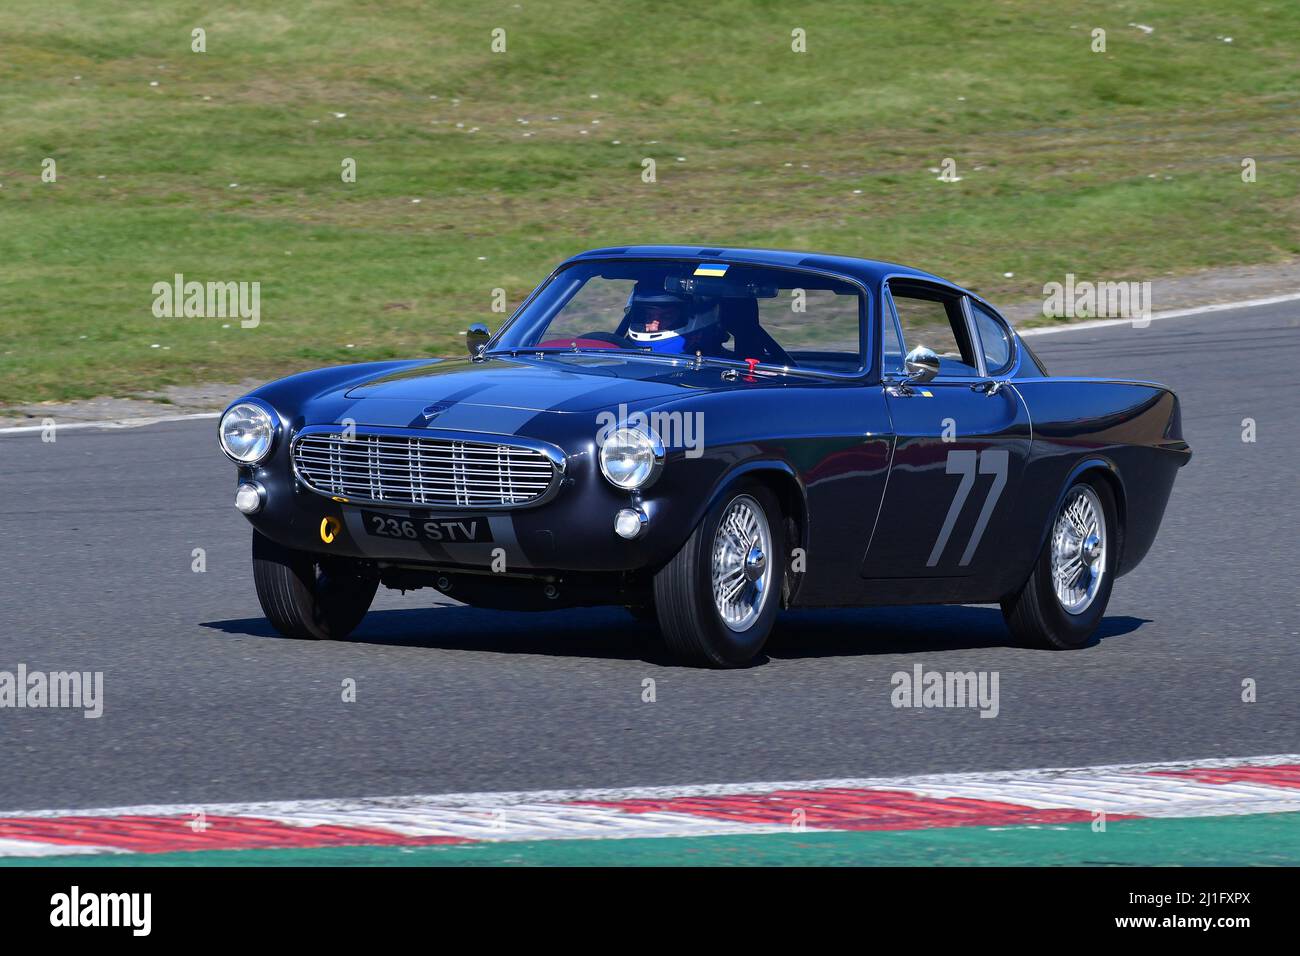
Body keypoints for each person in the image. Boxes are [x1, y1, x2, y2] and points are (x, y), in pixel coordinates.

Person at [624, 285, 726, 355]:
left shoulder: (724, 373)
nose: (653, 328)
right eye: (648, 317)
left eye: (666, 317)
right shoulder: (623, 358)